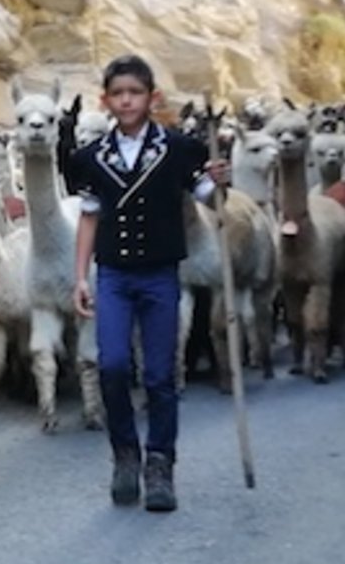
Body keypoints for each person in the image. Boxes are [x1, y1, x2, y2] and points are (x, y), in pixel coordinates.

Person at [69, 55, 227, 513]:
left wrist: (219, 181)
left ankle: (160, 462)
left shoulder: (178, 149)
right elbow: (89, 218)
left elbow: (209, 200)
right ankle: (124, 454)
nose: (126, 101)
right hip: (114, 275)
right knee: (114, 366)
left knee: (160, 375)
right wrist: (81, 276)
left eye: (134, 93)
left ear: (151, 98)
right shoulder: (93, 157)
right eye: (117, 94)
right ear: (105, 100)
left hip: (160, 274)